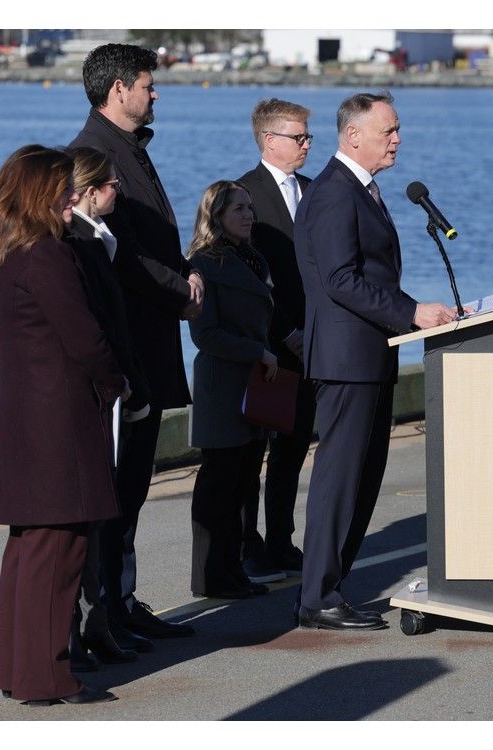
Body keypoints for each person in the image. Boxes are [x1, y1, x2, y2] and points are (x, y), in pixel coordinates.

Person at [293, 92, 459, 630]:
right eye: (387, 130)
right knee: (341, 480)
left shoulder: (363, 189)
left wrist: (413, 311)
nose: (397, 139)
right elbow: (341, 280)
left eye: (397, 129)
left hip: (371, 354)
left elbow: (370, 275)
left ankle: (332, 587)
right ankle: (317, 597)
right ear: (352, 136)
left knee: (364, 479)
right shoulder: (336, 193)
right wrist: (412, 311)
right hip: (345, 360)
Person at [0, 145, 127, 705]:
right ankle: (48, 677)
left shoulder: (4, 249)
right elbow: (84, 336)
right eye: (63, 189)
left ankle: (21, 670)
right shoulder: (47, 253)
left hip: (21, 415)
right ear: (39, 193)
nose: (73, 198)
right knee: (59, 549)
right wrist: (116, 382)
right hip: (59, 420)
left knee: (28, 548)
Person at [69, 43, 202, 644]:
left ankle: (119, 599)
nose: (155, 94)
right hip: (129, 348)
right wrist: (182, 289)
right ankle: (103, 613)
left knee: (134, 486)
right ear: (118, 89)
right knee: (117, 487)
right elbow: (116, 259)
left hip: (148, 340)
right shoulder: (92, 156)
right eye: (148, 85)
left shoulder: (126, 150)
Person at [64, 146, 150, 669]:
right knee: (96, 515)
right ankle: (91, 624)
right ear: (89, 190)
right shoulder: (79, 240)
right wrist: (124, 383)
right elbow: (98, 328)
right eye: (113, 184)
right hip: (99, 396)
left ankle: (106, 617)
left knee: (111, 512)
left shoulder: (100, 238)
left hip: (116, 387)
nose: (119, 191)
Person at [186, 181, 279, 599]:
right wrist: (256, 351)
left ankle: (234, 567)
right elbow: (205, 335)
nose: (248, 215)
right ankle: (210, 575)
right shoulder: (204, 263)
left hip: (253, 387)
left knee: (244, 481)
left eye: (249, 207)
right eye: (238, 209)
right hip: (223, 386)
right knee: (219, 484)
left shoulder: (253, 258)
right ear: (216, 215)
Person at [236, 98, 314, 584]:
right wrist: (285, 331)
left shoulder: (314, 189)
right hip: (267, 343)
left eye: (308, 137)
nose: (307, 145)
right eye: (298, 137)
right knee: (251, 453)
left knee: (293, 448)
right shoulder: (243, 194)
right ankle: (248, 545)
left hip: (312, 341)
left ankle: (282, 539)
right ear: (270, 140)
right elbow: (252, 276)